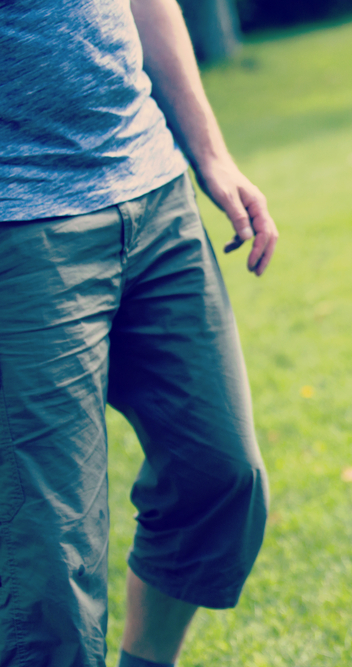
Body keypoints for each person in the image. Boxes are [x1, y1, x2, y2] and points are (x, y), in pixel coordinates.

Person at [0, 1, 278, 666]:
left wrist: (208, 151)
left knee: (219, 476)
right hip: (24, 227)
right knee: (51, 556)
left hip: (155, 191)